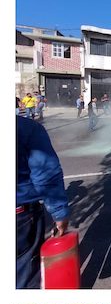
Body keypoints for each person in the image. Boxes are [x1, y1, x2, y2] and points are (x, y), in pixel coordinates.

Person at [16, 116, 71, 289]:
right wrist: (59, 213)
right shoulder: (25, 127)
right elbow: (45, 173)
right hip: (20, 214)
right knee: (23, 273)